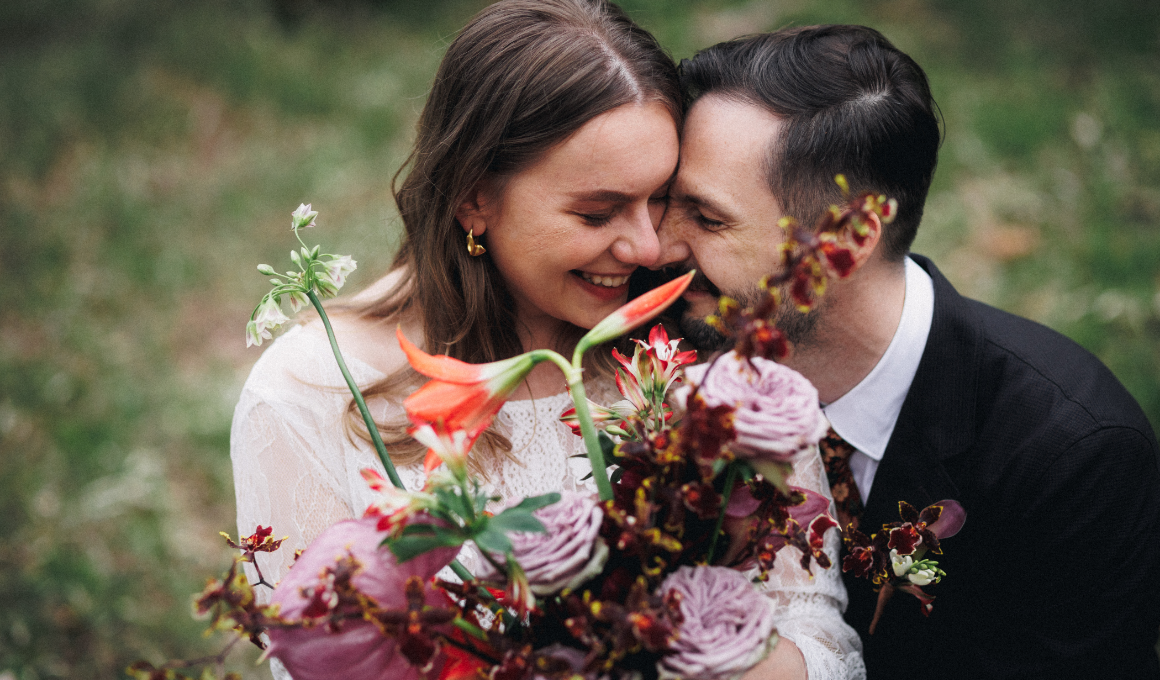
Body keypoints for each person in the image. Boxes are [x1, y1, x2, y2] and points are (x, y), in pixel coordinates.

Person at [231, 2, 861, 678]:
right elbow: (322, 659)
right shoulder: (309, 394)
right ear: (475, 197)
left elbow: (813, 621)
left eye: (659, 198)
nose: (647, 246)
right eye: (597, 212)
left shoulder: (698, 352)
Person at [657, 24, 1160, 679]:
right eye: (668, 203)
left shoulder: (1071, 455)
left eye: (708, 218)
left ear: (848, 238)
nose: (657, 245)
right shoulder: (648, 360)